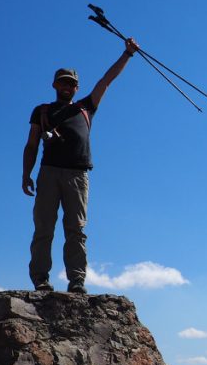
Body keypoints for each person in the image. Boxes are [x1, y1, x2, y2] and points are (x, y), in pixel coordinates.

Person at [22, 37, 140, 293]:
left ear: (77, 88)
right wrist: (25, 174)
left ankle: (77, 280)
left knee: (76, 229)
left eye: (72, 84)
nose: (67, 86)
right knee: (44, 228)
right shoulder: (41, 111)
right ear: (55, 84)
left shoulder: (87, 107)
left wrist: (127, 54)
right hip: (49, 172)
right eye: (63, 82)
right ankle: (40, 279)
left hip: (78, 174)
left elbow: (106, 80)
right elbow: (31, 144)